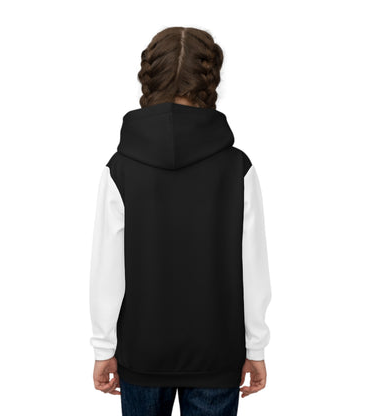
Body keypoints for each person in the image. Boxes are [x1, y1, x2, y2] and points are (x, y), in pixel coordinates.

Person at [89, 26, 272, 416]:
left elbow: (108, 268)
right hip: (216, 351)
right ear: (210, 78)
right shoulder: (236, 167)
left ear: (150, 77)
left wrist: (104, 347)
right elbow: (253, 266)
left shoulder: (120, 167)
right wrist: (255, 347)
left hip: (142, 351)